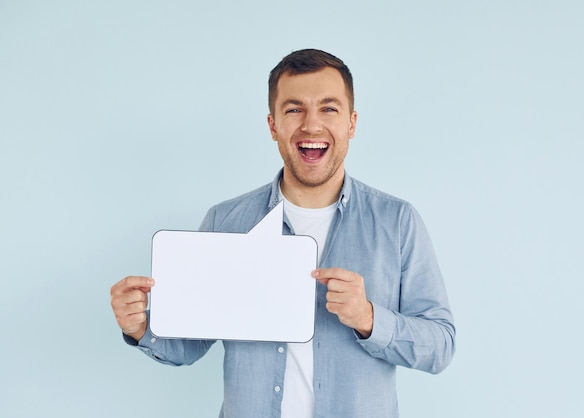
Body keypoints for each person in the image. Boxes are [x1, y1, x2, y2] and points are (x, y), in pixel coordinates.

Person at [110, 48, 455, 418]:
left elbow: (440, 347)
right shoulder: (226, 221)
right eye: (294, 110)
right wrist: (141, 327)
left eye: (329, 108)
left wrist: (370, 319)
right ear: (273, 125)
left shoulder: (397, 221)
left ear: (351, 123)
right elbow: (188, 345)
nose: (311, 125)